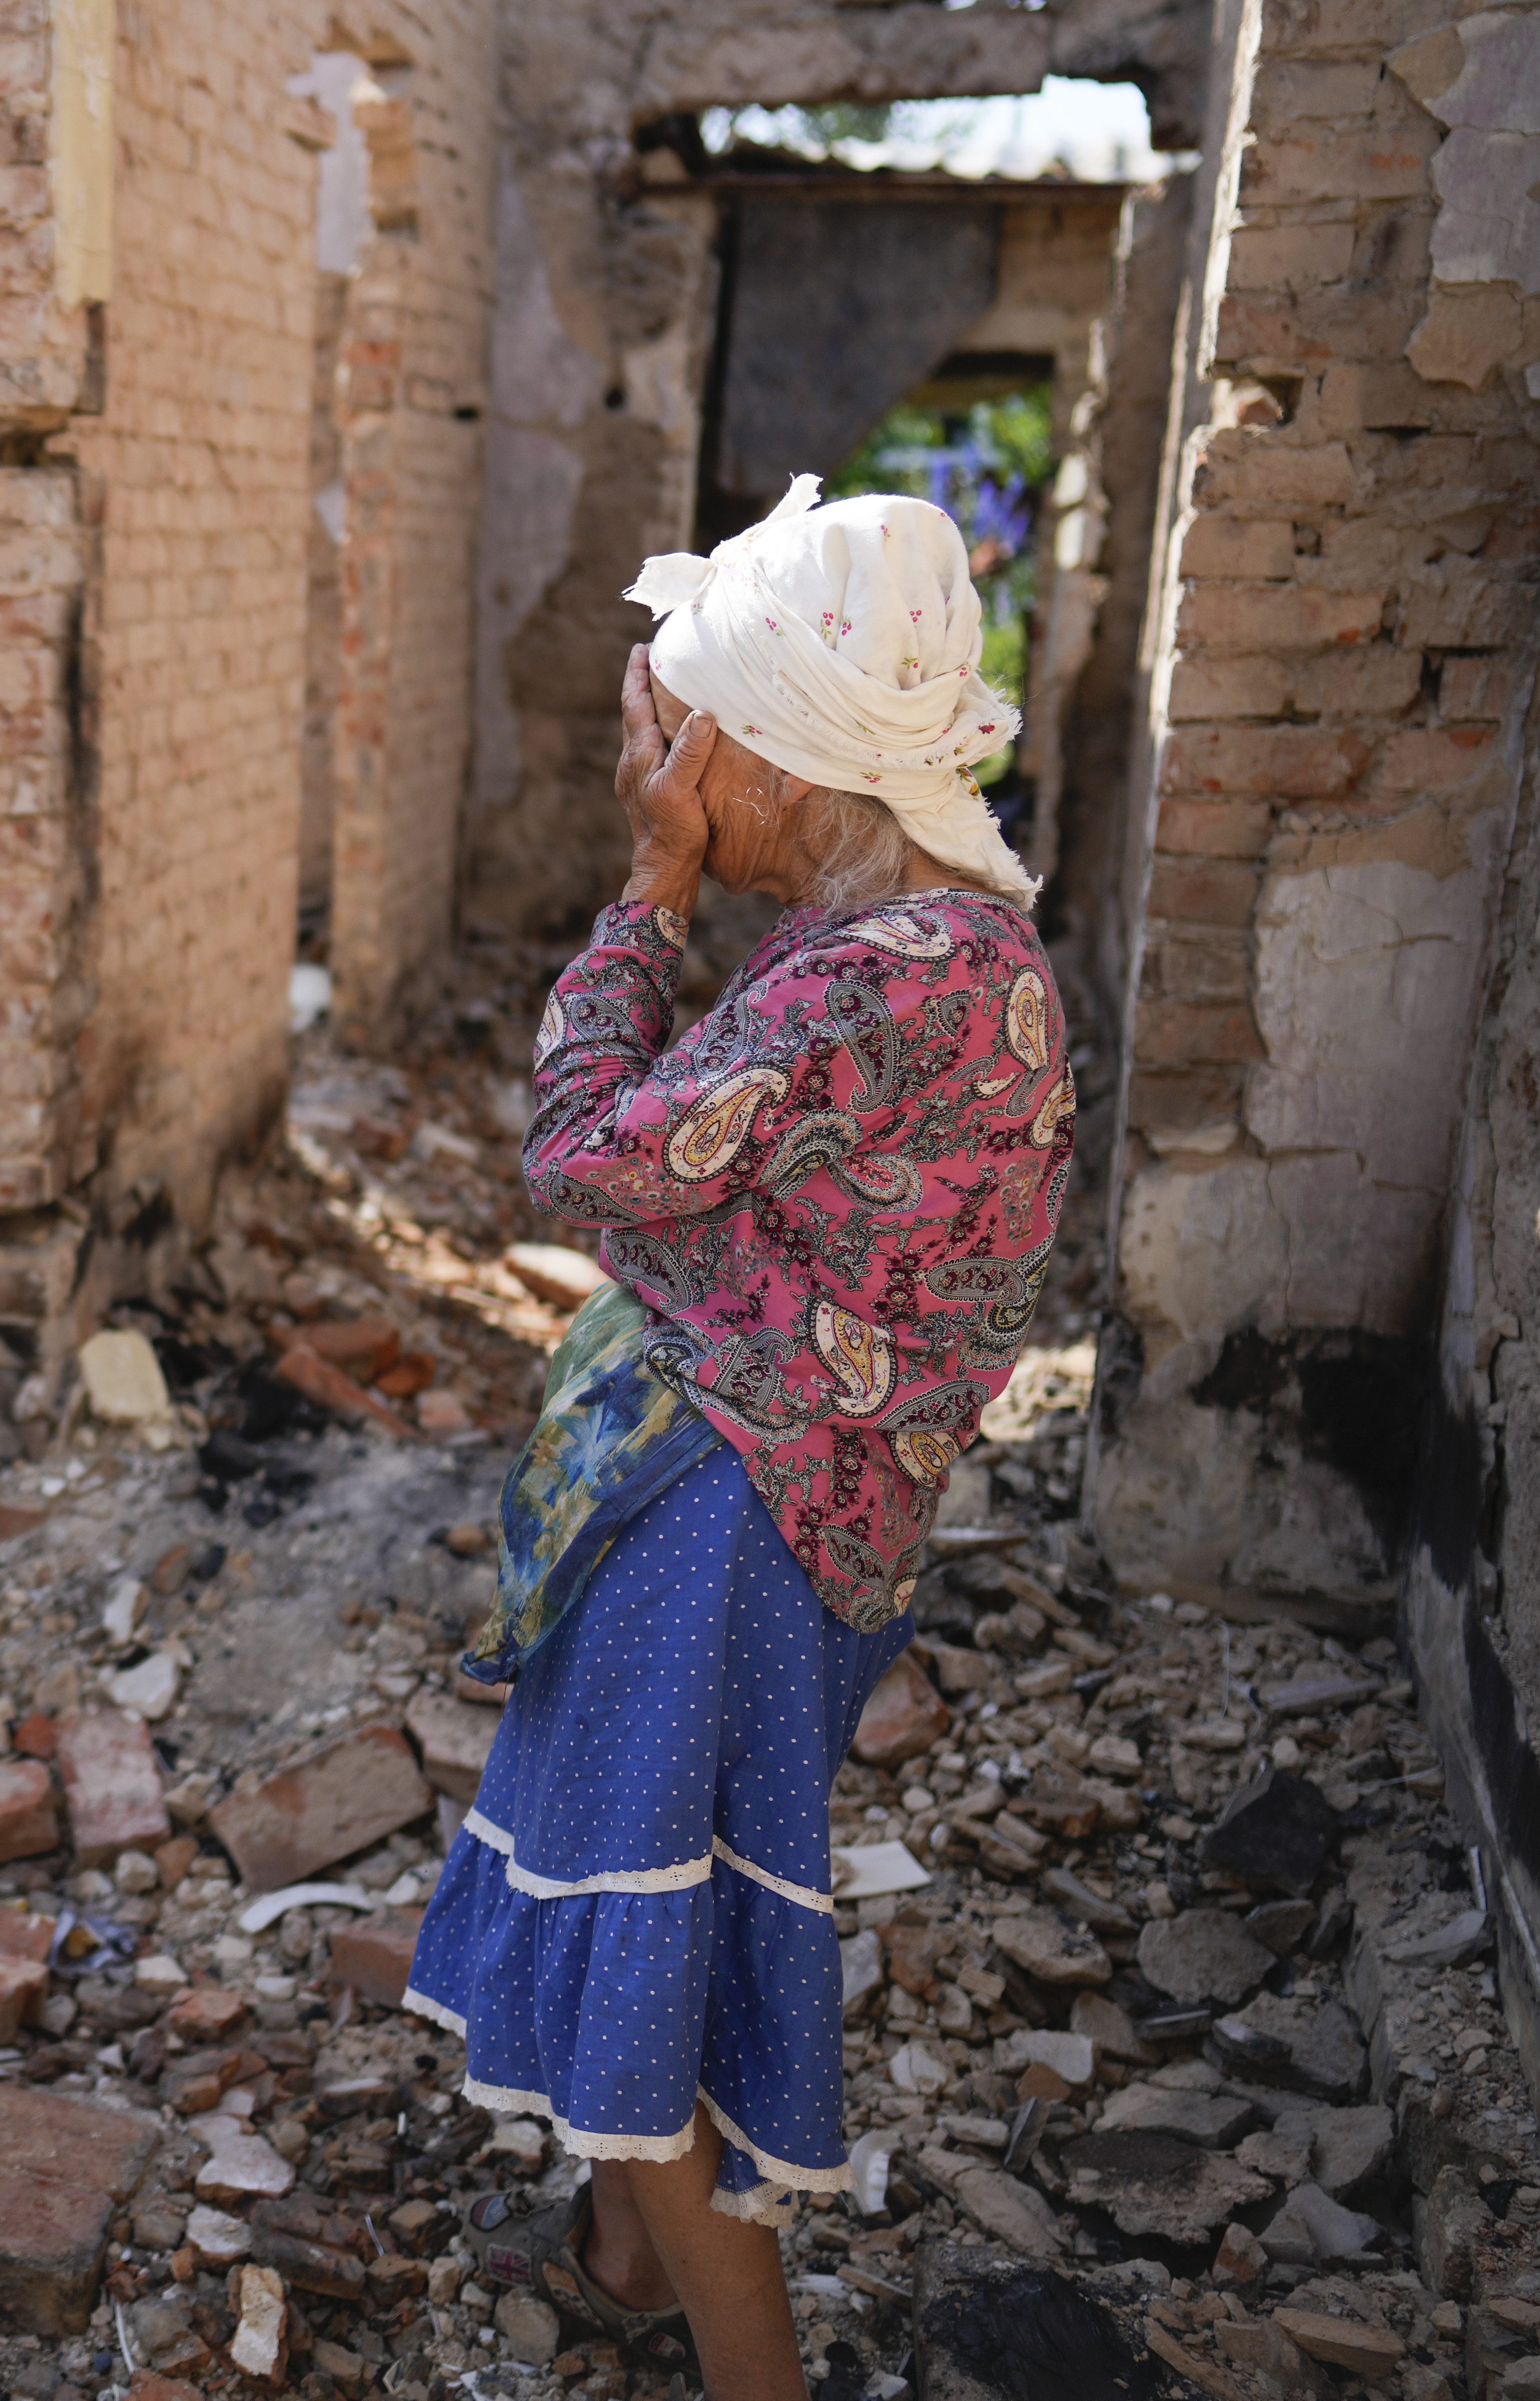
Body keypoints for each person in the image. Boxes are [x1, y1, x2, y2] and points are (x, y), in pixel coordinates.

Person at [399, 476, 1077, 2400]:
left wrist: (653, 883)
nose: (674, 762)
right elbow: (735, 1165)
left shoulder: (872, 981)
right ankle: (626, 2247)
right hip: (801, 1508)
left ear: (792, 756)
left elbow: (587, 1148)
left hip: (732, 1524)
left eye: (704, 736)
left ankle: (749, 2372)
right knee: (665, 1886)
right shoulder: (953, 946)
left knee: (642, 1938)